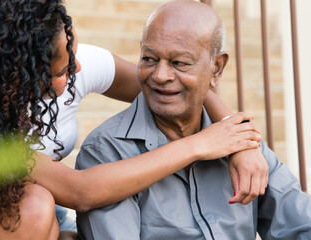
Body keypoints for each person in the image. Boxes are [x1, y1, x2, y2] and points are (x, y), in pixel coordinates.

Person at [0, 0, 267, 239]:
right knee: (30, 207)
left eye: (72, 53)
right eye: (60, 73)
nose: (76, 70)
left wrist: (238, 137)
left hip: (44, 215)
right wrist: (198, 145)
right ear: (14, 80)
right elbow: (80, 191)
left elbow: (181, 85)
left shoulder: (76, 62)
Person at [76, 1, 311, 239]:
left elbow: (301, 224)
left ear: (216, 69)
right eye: (149, 58)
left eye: (179, 63)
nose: (160, 75)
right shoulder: (107, 151)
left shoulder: (242, 144)